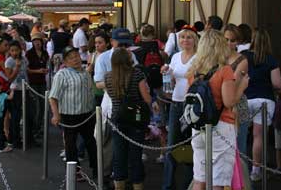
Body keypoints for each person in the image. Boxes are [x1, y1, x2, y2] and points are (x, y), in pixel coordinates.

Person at [188, 30, 249, 190]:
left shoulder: (195, 70)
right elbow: (229, 102)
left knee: (199, 179)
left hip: (198, 128)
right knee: (218, 182)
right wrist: (241, 86)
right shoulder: (224, 70)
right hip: (221, 127)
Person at [105, 48, 152, 190]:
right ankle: (137, 185)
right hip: (135, 120)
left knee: (119, 156)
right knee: (135, 157)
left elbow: (113, 97)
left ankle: (119, 185)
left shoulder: (108, 77)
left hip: (117, 119)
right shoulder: (137, 74)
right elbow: (147, 99)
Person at [49, 46, 97, 181]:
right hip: (69, 115)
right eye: (71, 57)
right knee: (70, 145)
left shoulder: (86, 73)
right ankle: (74, 171)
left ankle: (97, 169)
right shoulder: (61, 74)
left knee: (91, 143)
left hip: (87, 114)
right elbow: (53, 96)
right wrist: (56, 114)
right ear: (65, 61)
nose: (75, 59)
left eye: (76, 55)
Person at [161, 26, 198, 190]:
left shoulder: (199, 58)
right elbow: (172, 77)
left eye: (189, 37)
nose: (185, 40)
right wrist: (166, 71)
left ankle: (189, 183)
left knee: (191, 144)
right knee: (171, 145)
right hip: (176, 103)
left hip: (192, 104)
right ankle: (168, 185)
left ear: (195, 40)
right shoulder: (175, 56)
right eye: (182, 37)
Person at [242, 28, 281, 182]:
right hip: (264, 100)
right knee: (258, 137)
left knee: (241, 135)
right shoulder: (271, 59)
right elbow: (277, 83)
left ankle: (241, 169)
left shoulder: (243, 57)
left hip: (245, 98)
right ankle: (255, 170)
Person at [223, 24, 250, 155]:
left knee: (239, 151)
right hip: (221, 107)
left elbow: (233, 85)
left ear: (237, 41)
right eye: (226, 39)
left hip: (237, 107)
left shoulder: (242, 60)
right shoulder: (218, 58)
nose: (228, 43)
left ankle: (243, 176)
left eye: (232, 40)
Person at [26, 32, 49, 140]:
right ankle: (34, 128)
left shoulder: (45, 53)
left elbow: (47, 64)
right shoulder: (29, 54)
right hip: (33, 82)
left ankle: (39, 128)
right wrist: (38, 71)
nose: (36, 43)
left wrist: (45, 70)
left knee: (42, 105)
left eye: (38, 41)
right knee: (36, 106)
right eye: (34, 41)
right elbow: (27, 69)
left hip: (42, 81)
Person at [5, 40, 28, 148]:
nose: (15, 53)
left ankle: (25, 138)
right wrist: (17, 68)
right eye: (12, 50)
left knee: (26, 115)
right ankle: (14, 139)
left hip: (25, 89)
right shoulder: (9, 61)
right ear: (9, 51)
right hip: (15, 90)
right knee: (15, 116)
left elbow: (27, 71)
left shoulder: (24, 59)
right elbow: (9, 78)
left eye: (16, 50)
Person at [87, 31, 110, 106]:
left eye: (100, 43)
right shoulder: (93, 55)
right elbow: (88, 71)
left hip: (107, 89)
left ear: (107, 43)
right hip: (95, 89)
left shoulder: (110, 56)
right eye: (96, 43)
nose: (97, 45)